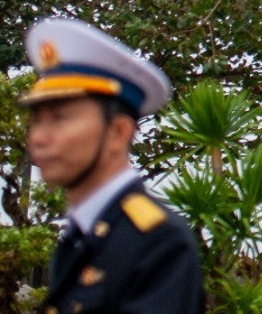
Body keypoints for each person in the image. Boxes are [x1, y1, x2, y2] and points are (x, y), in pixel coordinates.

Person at [20, 17, 202, 313]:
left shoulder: (159, 242)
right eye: (36, 120)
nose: (39, 137)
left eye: (60, 118)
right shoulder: (81, 235)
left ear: (118, 132)